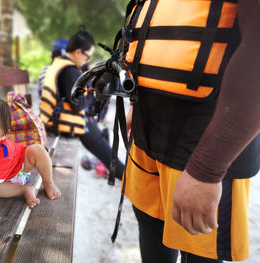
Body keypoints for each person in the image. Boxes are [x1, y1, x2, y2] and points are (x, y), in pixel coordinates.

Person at [121, 0, 260, 262]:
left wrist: (206, 169)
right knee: (149, 223)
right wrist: (135, 103)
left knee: (198, 248)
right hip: (145, 126)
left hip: (205, 137)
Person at [39, 30, 124, 180]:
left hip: (55, 122)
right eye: (88, 56)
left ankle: (116, 171)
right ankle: (127, 178)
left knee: (103, 141)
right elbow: (77, 106)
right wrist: (94, 93)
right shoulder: (70, 71)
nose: (87, 60)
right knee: (107, 153)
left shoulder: (62, 65)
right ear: (78, 52)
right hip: (61, 125)